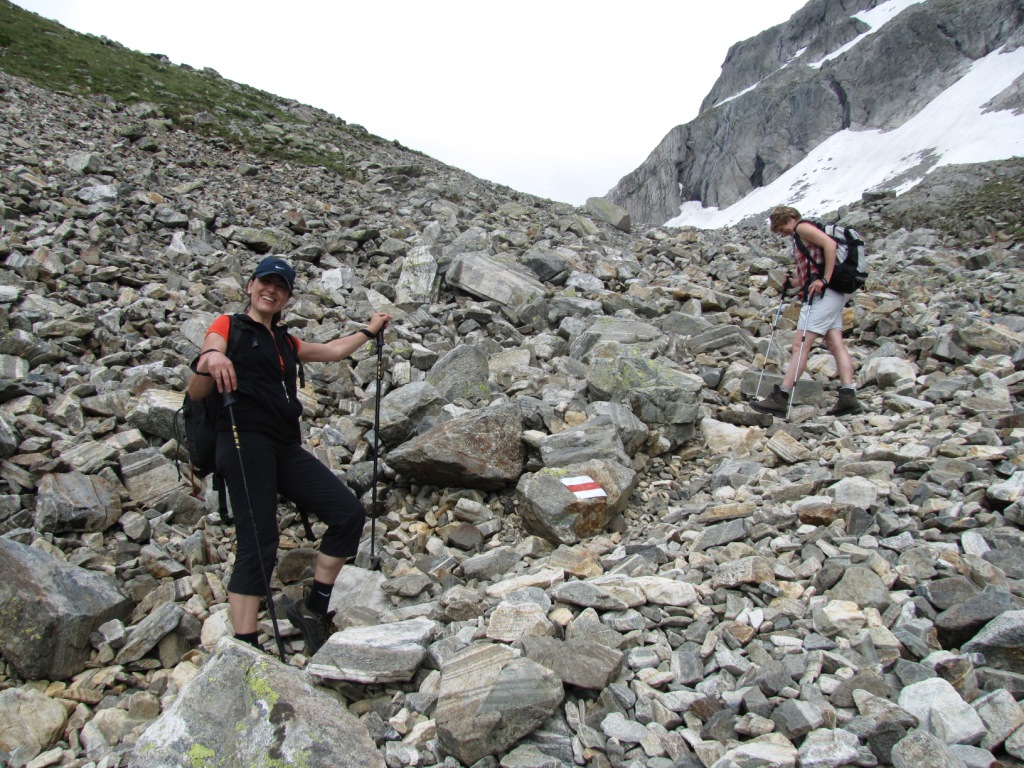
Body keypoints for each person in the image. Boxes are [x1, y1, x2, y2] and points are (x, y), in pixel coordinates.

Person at [187, 255, 392, 656]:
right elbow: (198, 389)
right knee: (259, 540)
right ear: (250, 285)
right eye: (266, 282)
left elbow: (333, 351)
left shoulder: (286, 342)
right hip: (242, 440)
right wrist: (210, 359)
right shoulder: (227, 326)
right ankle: (245, 650)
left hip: (284, 445)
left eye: (281, 286)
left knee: (348, 513)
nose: (272, 290)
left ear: (287, 297)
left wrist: (369, 331)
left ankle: (313, 607)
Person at [751, 206, 863, 418]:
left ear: (791, 219)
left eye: (782, 227)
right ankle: (848, 396)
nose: (782, 233)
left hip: (825, 294)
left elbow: (830, 246)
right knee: (834, 342)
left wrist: (824, 280)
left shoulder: (802, 228)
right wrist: (796, 282)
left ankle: (781, 397)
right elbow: (816, 264)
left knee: (800, 344)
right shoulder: (802, 233)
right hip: (834, 294)